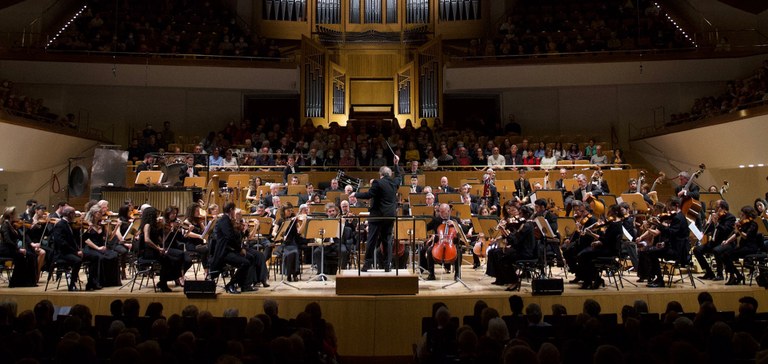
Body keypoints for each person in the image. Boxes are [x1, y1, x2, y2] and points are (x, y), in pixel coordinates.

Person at [351, 154, 402, 272]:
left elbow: (369, 195)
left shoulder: (377, 183)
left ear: (381, 174)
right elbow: (399, 176)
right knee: (387, 240)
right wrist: (396, 164)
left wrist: (356, 194)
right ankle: (387, 265)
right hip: (389, 216)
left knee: (372, 240)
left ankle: (367, 264)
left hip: (377, 216)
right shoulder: (394, 183)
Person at [209, 202, 255, 294]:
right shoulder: (224, 221)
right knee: (245, 263)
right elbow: (230, 238)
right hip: (223, 253)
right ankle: (231, 284)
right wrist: (240, 249)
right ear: (231, 210)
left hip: (230, 250)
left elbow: (234, 237)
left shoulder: (228, 220)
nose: (235, 212)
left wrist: (242, 231)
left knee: (251, 257)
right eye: (234, 210)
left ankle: (244, 285)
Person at [424, 203, 470, 281]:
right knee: (429, 250)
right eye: (440, 211)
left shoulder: (455, 220)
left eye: (444, 212)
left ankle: (457, 274)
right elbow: (425, 228)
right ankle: (431, 274)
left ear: (449, 211)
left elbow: (466, 229)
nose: (442, 213)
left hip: (452, 244)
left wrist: (455, 225)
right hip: (439, 244)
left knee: (458, 252)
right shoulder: (436, 220)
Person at [693, 200, 735, 281]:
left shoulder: (730, 217)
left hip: (725, 242)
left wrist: (717, 223)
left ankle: (720, 274)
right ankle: (709, 272)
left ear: (723, 208)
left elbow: (726, 230)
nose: (715, 209)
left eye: (716, 207)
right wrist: (708, 223)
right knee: (697, 250)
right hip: (714, 242)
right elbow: (708, 230)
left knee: (716, 250)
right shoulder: (717, 216)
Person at [81, 205, 120, 289]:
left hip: (100, 247)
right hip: (90, 248)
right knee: (100, 257)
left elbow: (109, 238)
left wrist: (116, 227)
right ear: (94, 214)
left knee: (114, 255)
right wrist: (98, 248)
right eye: (100, 212)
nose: (102, 214)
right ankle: (97, 282)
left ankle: (110, 281)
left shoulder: (102, 225)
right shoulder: (87, 224)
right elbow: (86, 240)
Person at [721, 206, 762, 285]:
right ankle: (737, 275)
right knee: (724, 256)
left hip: (750, 248)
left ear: (748, 215)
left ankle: (735, 276)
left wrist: (738, 230)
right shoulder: (744, 223)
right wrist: (727, 241)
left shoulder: (753, 224)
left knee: (726, 255)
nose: (741, 216)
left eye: (742, 215)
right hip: (743, 247)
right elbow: (736, 234)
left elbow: (746, 236)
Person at [0, 207, 38, 287]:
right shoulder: (5, 225)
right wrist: (18, 249)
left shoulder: (11, 224)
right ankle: (16, 282)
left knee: (31, 255)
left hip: (11, 248)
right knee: (23, 256)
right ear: (11, 215)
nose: (17, 215)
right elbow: (7, 240)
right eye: (15, 214)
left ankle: (27, 282)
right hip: (6, 249)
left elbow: (20, 236)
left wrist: (31, 243)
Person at [50, 206, 82, 291]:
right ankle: (72, 284)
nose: (75, 215)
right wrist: (75, 252)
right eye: (74, 213)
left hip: (68, 252)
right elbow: (61, 243)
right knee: (77, 260)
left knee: (85, 257)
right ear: (69, 214)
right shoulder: (60, 225)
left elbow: (74, 240)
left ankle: (91, 283)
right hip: (61, 254)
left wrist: (78, 250)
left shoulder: (68, 224)